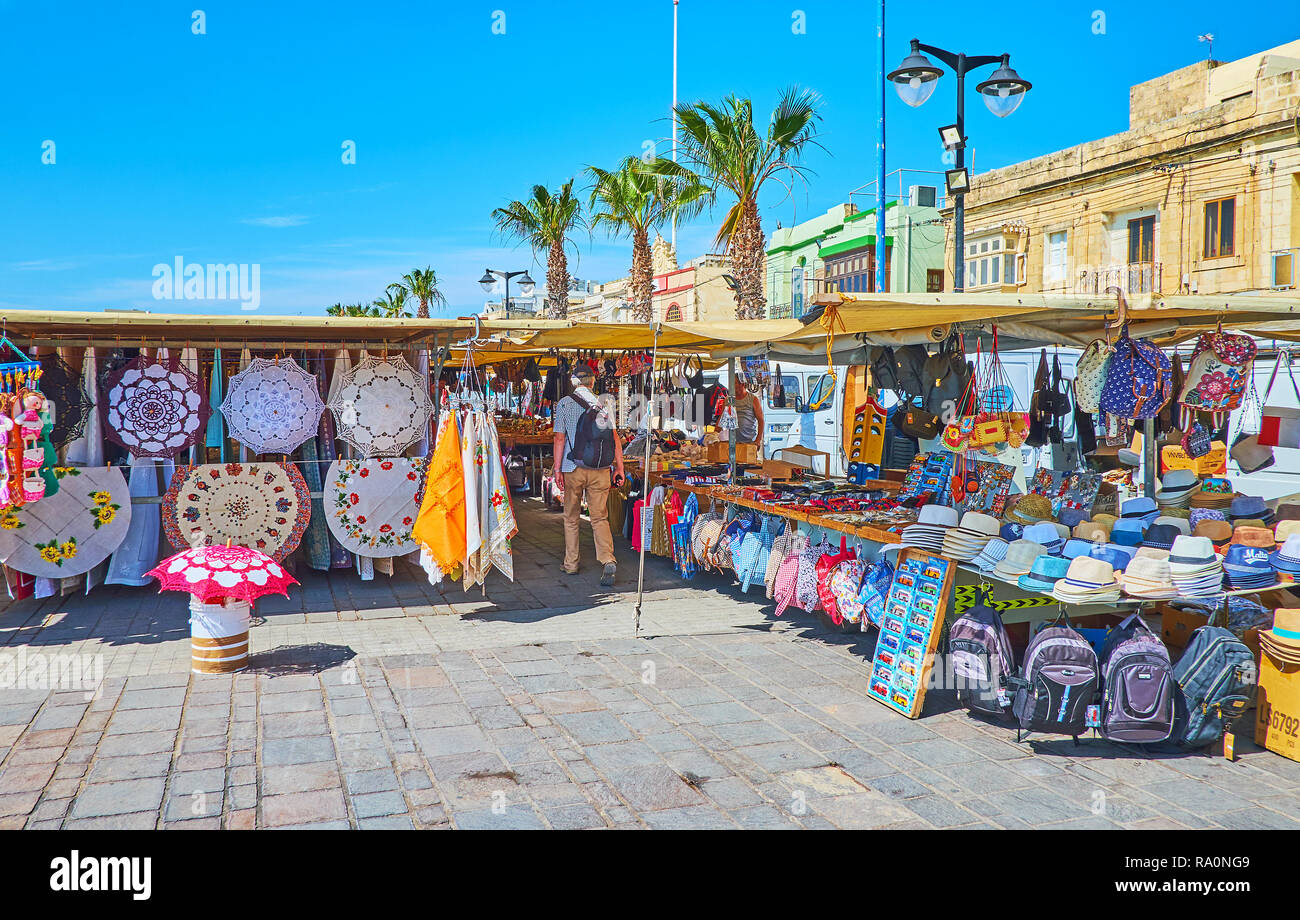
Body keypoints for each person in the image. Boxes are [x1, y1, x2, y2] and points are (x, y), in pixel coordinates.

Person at [552, 365, 624, 586]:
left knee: (571, 517)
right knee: (599, 517)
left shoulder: (564, 404)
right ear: (593, 382)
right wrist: (619, 468)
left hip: (572, 467)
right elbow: (614, 438)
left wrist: (556, 469)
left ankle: (571, 563)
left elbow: (559, 439)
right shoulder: (605, 404)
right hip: (601, 469)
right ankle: (608, 559)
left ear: (574, 382)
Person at [732, 376, 765, 453]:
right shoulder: (728, 400)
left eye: (735, 383)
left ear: (742, 384)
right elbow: (722, 418)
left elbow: (761, 420)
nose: (732, 385)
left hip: (750, 442)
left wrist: (758, 439)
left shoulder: (753, 399)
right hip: (732, 443)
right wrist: (714, 435)